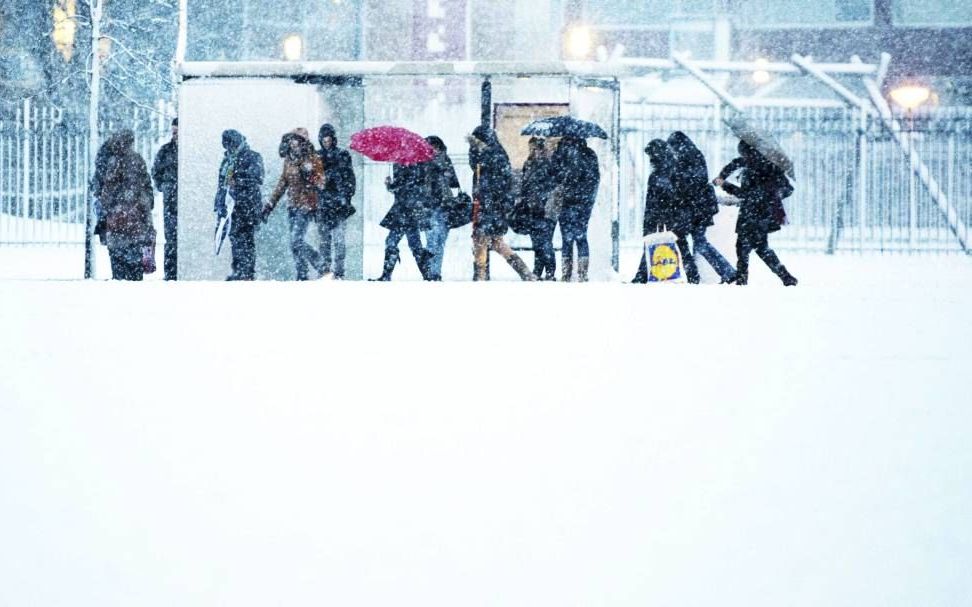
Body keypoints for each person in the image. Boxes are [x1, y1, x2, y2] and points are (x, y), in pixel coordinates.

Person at [714, 141, 798, 286]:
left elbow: (745, 194)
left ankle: (743, 279)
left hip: (752, 213)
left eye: (742, 152)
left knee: (744, 247)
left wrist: (724, 184)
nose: (742, 156)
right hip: (763, 213)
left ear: (747, 152)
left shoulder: (756, 169)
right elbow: (788, 189)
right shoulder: (768, 164)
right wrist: (722, 175)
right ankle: (785, 277)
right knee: (759, 248)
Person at [467, 125, 536, 281]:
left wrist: (488, 203)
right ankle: (525, 272)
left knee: (480, 239)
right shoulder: (496, 154)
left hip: (488, 205)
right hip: (494, 206)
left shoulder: (489, 156)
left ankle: (480, 276)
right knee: (497, 242)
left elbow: (489, 182)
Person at [667, 131, 736, 283]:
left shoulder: (687, 158)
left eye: (672, 147)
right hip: (698, 208)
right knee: (698, 242)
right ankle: (725, 272)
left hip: (693, 208)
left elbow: (689, 183)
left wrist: (675, 181)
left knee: (692, 241)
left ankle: (703, 274)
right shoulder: (693, 156)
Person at [631, 139, 700, 284]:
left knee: (652, 244)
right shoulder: (678, 170)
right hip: (679, 215)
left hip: (663, 215)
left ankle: (642, 275)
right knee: (682, 245)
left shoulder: (656, 176)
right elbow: (685, 195)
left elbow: (652, 202)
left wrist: (649, 223)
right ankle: (693, 275)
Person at [263, 128, 326, 281]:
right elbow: (282, 183)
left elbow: (322, 183)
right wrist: (270, 205)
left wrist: (309, 175)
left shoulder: (313, 158)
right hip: (292, 205)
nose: (292, 142)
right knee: (294, 244)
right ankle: (302, 274)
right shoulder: (288, 160)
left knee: (296, 240)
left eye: (296, 139)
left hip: (307, 206)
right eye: (291, 139)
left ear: (303, 142)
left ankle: (320, 263)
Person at [92, 130, 155, 281]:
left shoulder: (109, 159)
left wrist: (108, 208)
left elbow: (105, 190)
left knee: (118, 268)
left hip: (116, 224)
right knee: (135, 271)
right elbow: (146, 186)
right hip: (136, 223)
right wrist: (146, 205)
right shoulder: (136, 159)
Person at [215, 129, 264, 280]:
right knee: (234, 237)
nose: (229, 149)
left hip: (248, 204)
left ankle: (247, 271)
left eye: (230, 145)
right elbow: (221, 184)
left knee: (246, 238)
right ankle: (238, 270)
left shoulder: (253, 157)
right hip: (231, 206)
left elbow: (257, 178)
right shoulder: (227, 161)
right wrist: (219, 204)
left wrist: (238, 182)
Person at [551, 135, 599, 282]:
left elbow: (553, 175)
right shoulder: (590, 154)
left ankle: (566, 274)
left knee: (567, 238)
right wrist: (588, 198)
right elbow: (595, 178)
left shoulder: (561, 154)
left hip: (566, 201)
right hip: (584, 203)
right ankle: (583, 274)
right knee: (581, 236)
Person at [375, 161, 433, 281]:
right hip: (405, 209)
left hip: (407, 210)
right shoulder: (403, 163)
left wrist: (393, 186)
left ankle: (387, 274)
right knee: (411, 243)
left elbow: (408, 184)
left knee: (396, 241)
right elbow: (403, 186)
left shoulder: (415, 164)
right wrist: (390, 185)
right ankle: (427, 275)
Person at [316, 124, 356, 279]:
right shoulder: (317, 156)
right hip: (323, 203)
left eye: (328, 140)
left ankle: (339, 271)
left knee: (338, 240)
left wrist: (346, 197)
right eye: (324, 140)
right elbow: (313, 180)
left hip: (338, 203)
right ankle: (326, 269)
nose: (326, 143)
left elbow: (350, 179)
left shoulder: (343, 155)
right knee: (324, 240)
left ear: (333, 139)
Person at [520, 137, 557, 280]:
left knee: (545, 241)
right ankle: (538, 271)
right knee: (536, 242)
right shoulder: (528, 163)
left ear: (541, 149)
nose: (532, 151)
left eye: (535, 148)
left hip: (544, 209)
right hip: (531, 209)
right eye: (531, 148)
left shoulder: (548, 164)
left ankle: (550, 271)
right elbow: (525, 185)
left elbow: (549, 186)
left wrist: (538, 197)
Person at [423, 135, 459, 281]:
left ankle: (435, 273)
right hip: (429, 206)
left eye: (434, 147)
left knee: (440, 241)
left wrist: (442, 171)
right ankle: (430, 272)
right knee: (432, 240)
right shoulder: (423, 162)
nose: (433, 150)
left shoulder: (445, 160)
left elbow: (454, 182)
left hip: (444, 206)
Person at [152, 118, 178, 280]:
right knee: (171, 238)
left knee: (178, 238)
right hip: (171, 202)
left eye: (177, 132)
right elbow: (156, 172)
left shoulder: (189, 151)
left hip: (182, 201)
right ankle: (170, 273)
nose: (174, 135)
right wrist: (165, 187)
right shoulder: (165, 151)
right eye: (173, 132)